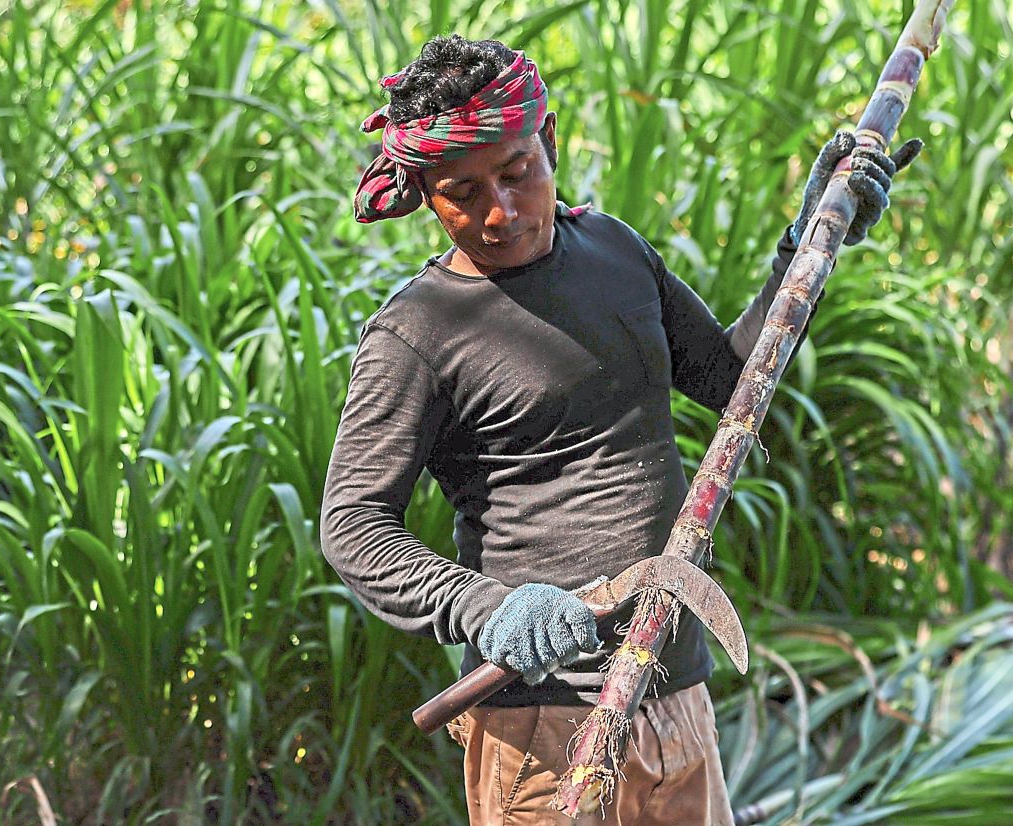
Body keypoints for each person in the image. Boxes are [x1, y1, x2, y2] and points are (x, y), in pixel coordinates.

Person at [322, 34, 920, 826]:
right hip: (543, 731)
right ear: (426, 194)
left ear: (550, 140)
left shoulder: (613, 251)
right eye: (463, 193)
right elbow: (353, 525)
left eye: (517, 172)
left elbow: (730, 380)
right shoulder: (418, 334)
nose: (501, 212)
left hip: (674, 696)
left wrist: (808, 242)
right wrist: (489, 608)